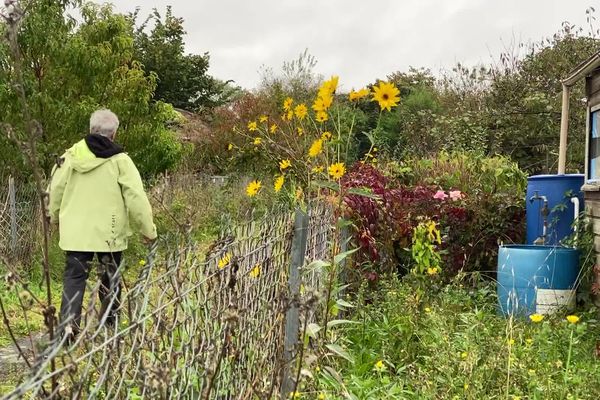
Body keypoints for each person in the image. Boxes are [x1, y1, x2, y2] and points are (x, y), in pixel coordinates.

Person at [48, 109, 157, 338]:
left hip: (77, 233)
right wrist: (148, 230)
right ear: (114, 134)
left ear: (90, 129)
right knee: (110, 277)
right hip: (110, 232)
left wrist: (54, 217)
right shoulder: (121, 161)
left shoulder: (69, 157)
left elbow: (54, 190)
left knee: (75, 278)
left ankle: (68, 329)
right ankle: (111, 325)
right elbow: (136, 196)